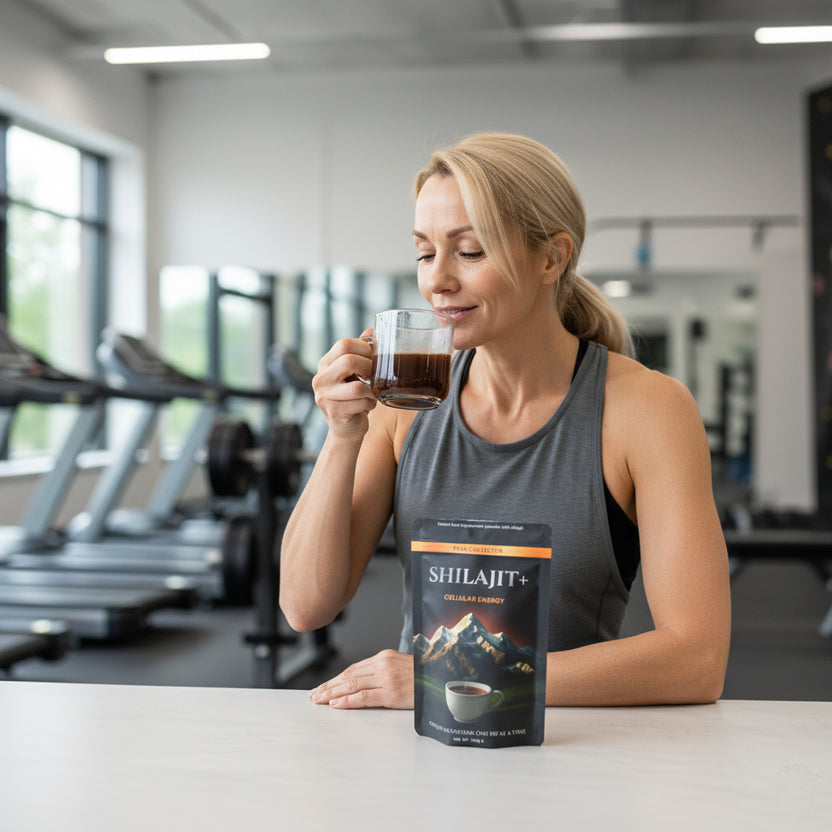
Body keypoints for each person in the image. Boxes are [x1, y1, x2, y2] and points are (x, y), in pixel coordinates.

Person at [279, 132, 731, 709]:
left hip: (570, 752)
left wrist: (449, 678)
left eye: (469, 251)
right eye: (424, 252)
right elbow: (304, 606)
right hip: (423, 752)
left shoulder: (647, 410)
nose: (437, 279)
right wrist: (342, 436)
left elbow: (696, 661)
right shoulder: (405, 410)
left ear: (552, 257)